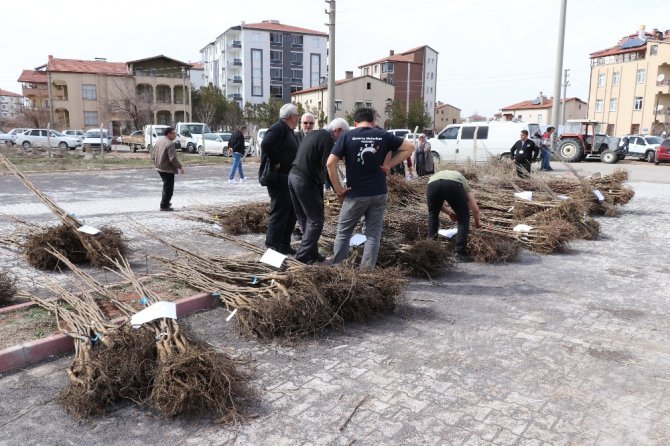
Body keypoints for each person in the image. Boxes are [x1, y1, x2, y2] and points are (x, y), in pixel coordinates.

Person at [327, 107, 415, 269]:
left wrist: (339, 190)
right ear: (373, 122)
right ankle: (366, 272)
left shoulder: (347, 136)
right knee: (373, 234)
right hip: (378, 192)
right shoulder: (383, 135)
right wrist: (389, 165)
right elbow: (410, 147)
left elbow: (330, 163)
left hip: (356, 194)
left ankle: (339, 269)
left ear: (355, 122)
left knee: (344, 232)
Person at [288, 118, 350, 264]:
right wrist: (339, 191)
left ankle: (313, 255)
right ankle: (302, 257)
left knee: (305, 219)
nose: (342, 140)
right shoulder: (327, 139)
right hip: (305, 180)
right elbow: (328, 168)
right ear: (337, 131)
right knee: (316, 221)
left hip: (293, 177)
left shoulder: (314, 133)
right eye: (344, 135)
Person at [260, 103, 300, 255]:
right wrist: (276, 161)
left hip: (288, 177)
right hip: (279, 178)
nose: (298, 118)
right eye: (297, 116)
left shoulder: (289, 130)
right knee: (279, 212)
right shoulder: (278, 127)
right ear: (291, 117)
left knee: (290, 213)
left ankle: (284, 244)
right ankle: (272, 247)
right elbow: (266, 143)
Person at [426, 170, 481, 262]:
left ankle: (431, 249)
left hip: (432, 185)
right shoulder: (461, 178)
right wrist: (477, 223)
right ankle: (459, 253)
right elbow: (475, 209)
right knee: (463, 217)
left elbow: (435, 205)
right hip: (453, 185)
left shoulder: (434, 177)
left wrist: (450, 213)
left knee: (433, 214)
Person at [152, 127, 184, 211]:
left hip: (159, 167)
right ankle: (164, 205)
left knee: (166, 186)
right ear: (168, 134)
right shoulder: (170, 143)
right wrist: (180, 166)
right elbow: (172, 158)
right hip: (167, 169)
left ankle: (166, 202)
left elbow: (152, 155)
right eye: (174, 133)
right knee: (168, 188)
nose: (175, 135)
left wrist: (157, 162)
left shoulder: (159, 141)